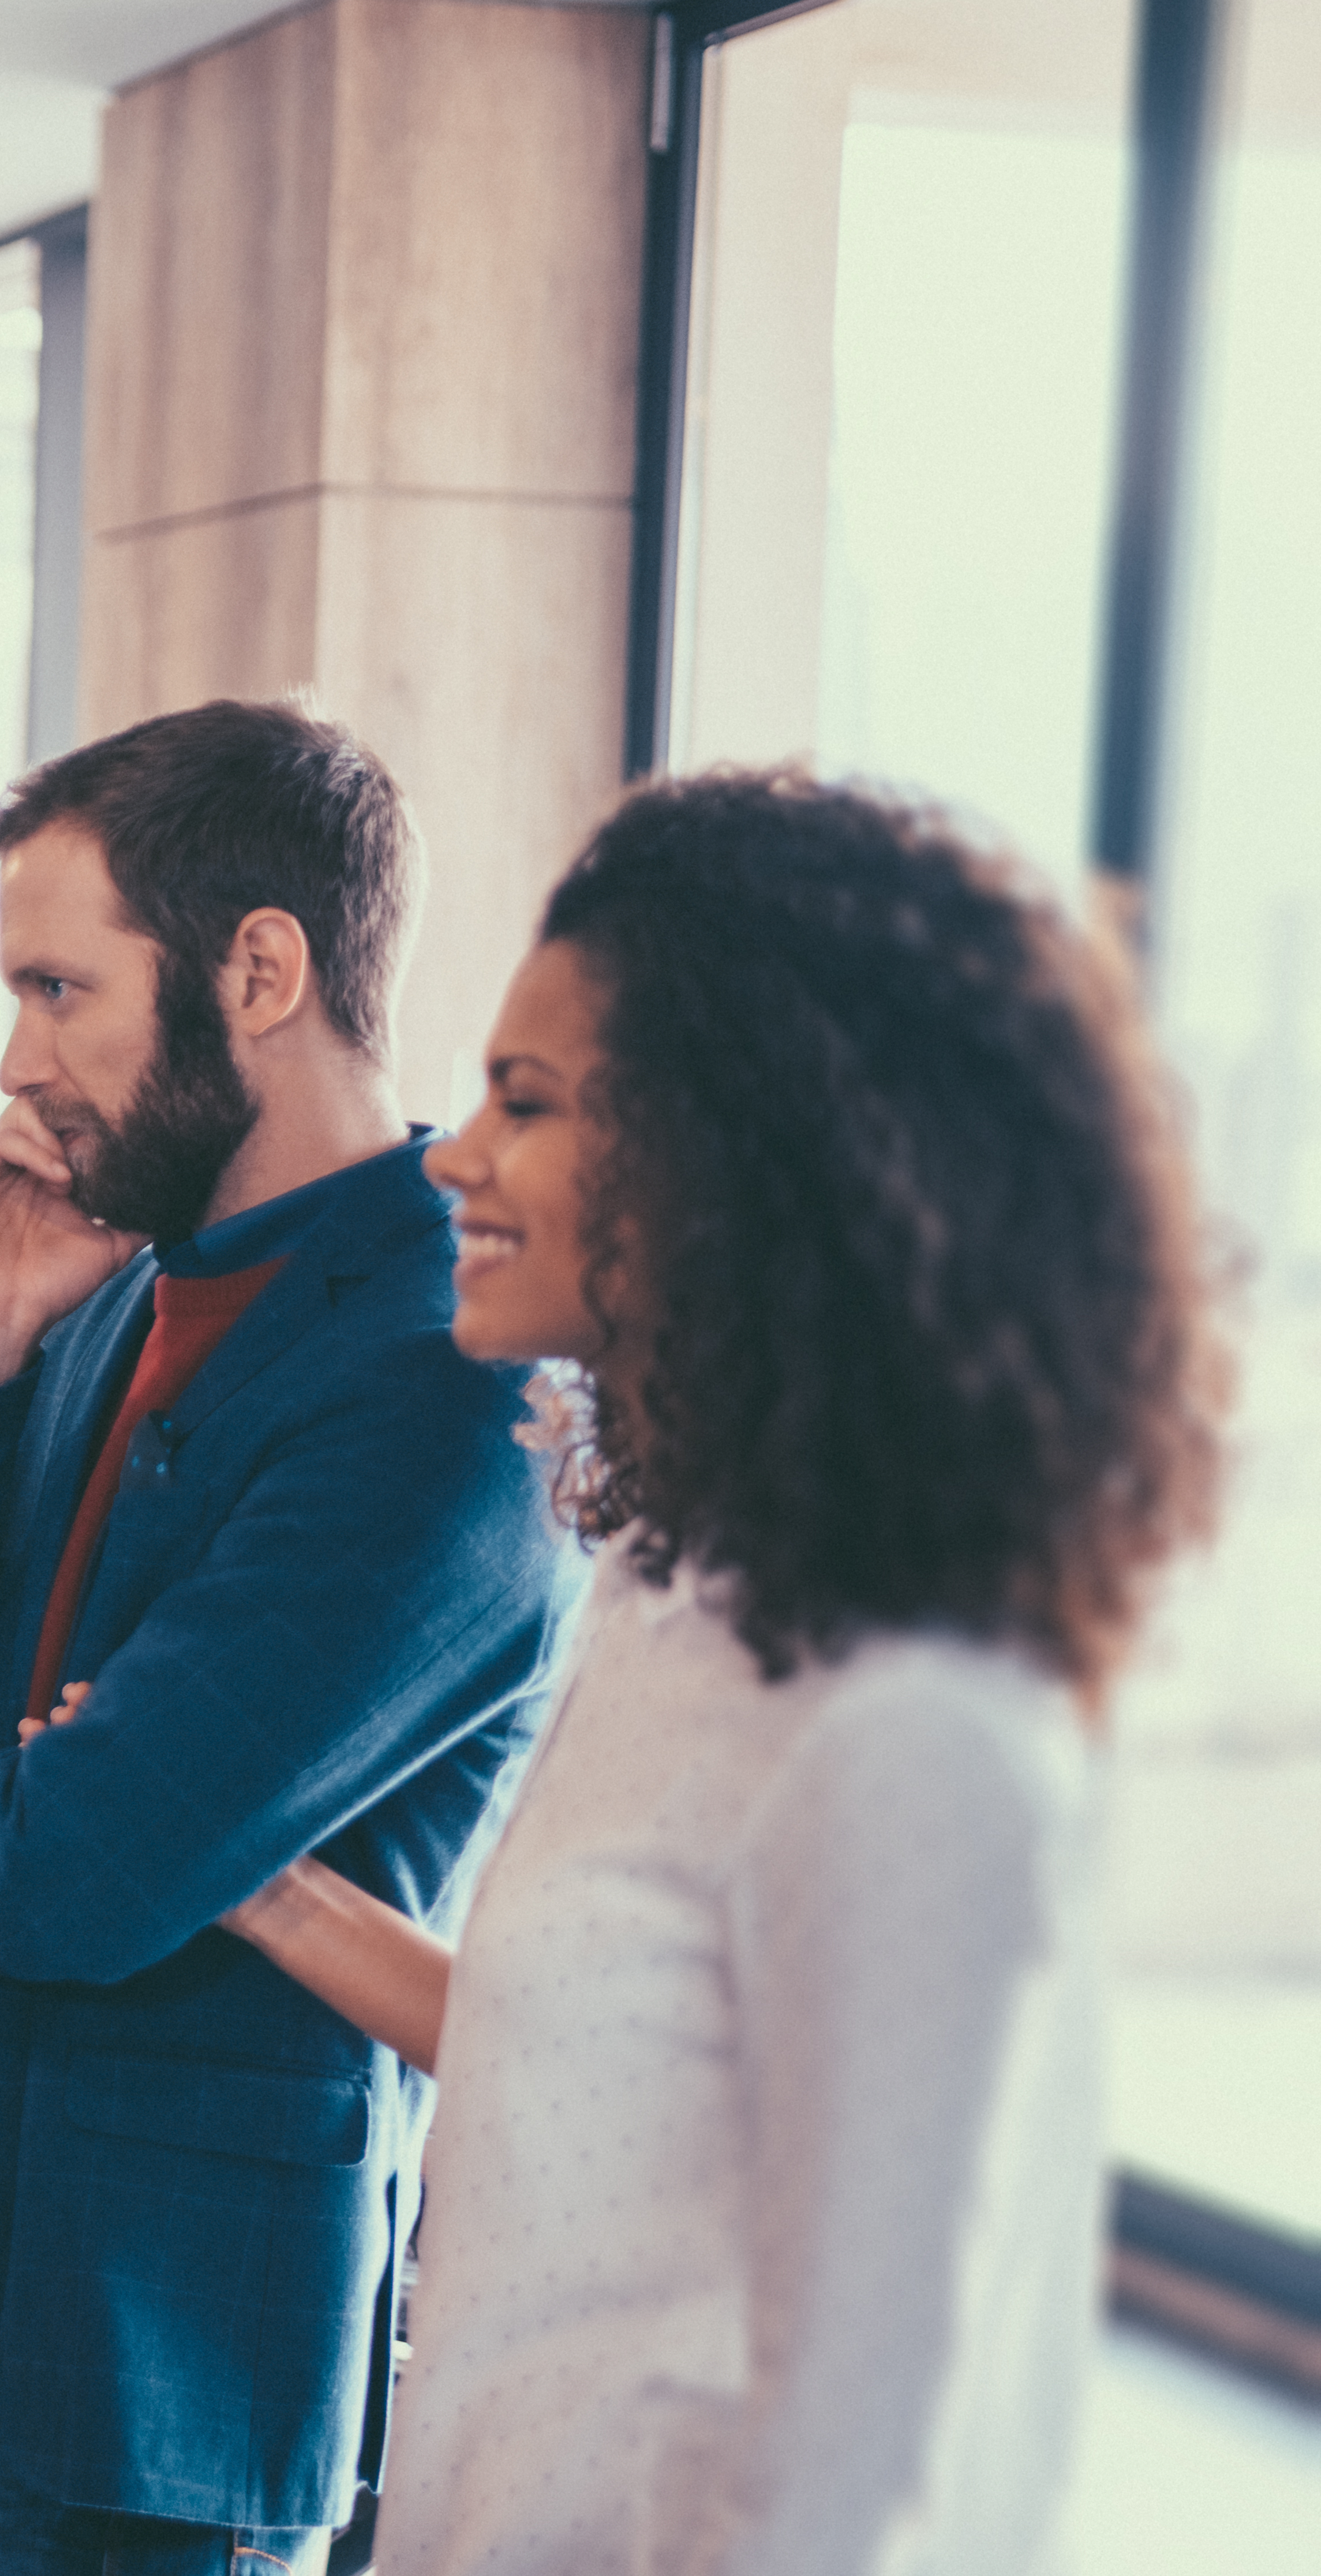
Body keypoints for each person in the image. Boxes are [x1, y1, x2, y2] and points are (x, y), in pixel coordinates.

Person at [140, 771, 1224, 2573]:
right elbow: (601, 2058)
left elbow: (872, 2487)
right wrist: (267, 1894)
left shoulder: (914, 1736)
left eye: (530, 1102)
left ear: (741, 1161)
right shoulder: (669, 1596)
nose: (449, 1154)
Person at [0, 699, 570, 2573]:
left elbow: (89, 1867)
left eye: (58, 990)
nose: (17, 1062)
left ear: (255, 969)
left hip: (161, 2371)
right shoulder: (108, 1288)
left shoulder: (442, 1373)